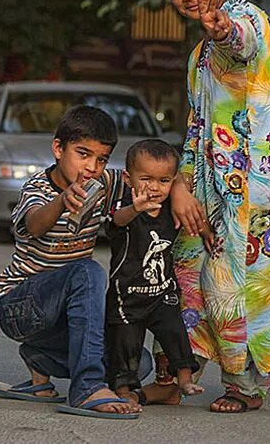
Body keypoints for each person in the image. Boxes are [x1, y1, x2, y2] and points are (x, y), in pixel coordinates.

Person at [160, 0, 270, 413]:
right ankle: (180, 370)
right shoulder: (199, 56)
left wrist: (223, 28)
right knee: (184, 263)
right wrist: (181, 185)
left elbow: (240, 40)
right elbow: (198, 125)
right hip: (211, 179)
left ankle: (246, 383)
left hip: (260, 181)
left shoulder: (248, 19)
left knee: (229, 279)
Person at [0, 105, 141, 420]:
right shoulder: (37, 189)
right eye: (82, 154)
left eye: (101, 159)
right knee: (87, 272)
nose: (91, 167)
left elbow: (151, 175)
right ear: (58, 148)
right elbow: (34, 224)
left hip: (60, 320)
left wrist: (178, 189)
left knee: (131, 359)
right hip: (19, 307)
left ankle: (39, 358)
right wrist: (61, 201)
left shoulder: (104, 185)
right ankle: (87, 387)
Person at [104, 139, 203, 407]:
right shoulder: (126, 206)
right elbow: (115, 222)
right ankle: (124, 390)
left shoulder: (173, 206)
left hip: (162, 292)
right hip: (128, 295)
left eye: (163, 180)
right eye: (146, 178)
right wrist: (135, 209)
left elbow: (195, 218)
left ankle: (183, 379)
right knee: (126, 347)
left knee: (176, 332)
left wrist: (206, 234)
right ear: (128, 178)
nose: (154, 187)